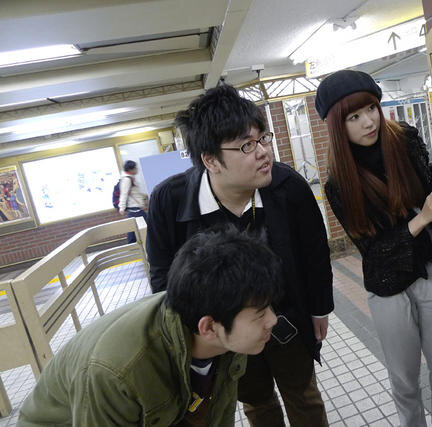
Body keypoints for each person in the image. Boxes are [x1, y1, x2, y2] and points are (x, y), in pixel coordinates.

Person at [146, 84, 333, 427]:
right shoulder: (169, 201)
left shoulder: (287, 187)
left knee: (303, 395)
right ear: (210, 160)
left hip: (286, 320)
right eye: (247, 145)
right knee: (256, 403)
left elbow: (315, 253)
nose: (263, 152)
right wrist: (192, 337)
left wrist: (319, 308)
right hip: (225, 333)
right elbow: (162, 276)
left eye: (264, 138)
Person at [19, 229, 281, 426]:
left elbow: (217, 416)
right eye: (260, 314)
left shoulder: (225, 333)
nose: (273, 320)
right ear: (209, 327)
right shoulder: (115, 372)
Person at [316, 70, 432, 427]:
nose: (368, 121)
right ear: (338, 126)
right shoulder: (339, 182)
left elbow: (431, 199)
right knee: (404, 379)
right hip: (388, 287)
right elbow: (374, 252)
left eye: (371, 108)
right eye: (354, 116)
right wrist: (421, 219)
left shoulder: (406, 141)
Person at [118, 160, 148, 243]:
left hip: (136, 208)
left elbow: (135, 193)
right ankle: (132, 246)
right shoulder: (127, 180)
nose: (137, 169)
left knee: (134, 229)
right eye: (135, 168)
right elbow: (124, 194)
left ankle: (132, 246)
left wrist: (143, 200)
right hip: (135, 209)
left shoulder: (131, 178)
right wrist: (122, 208)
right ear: (131, 169)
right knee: (143, 227)